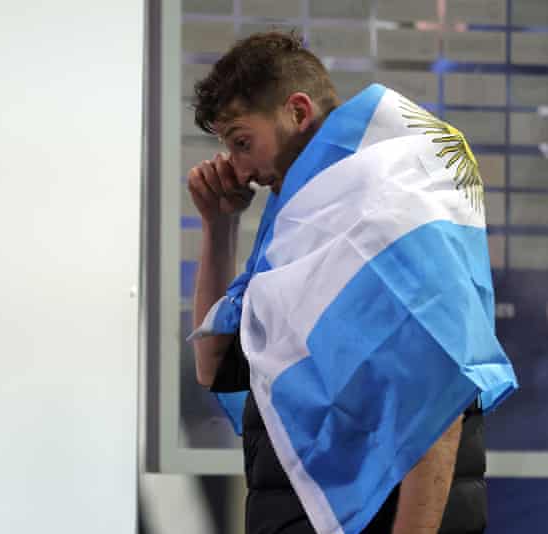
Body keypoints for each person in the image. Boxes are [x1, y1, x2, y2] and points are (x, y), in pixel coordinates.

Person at [187, 32, 494, 533]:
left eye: (243, 143)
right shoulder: (306, 228)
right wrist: (219, 225)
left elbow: (434, 398)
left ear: (298, 112)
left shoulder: (388, 214)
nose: (238, 169)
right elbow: (214, 363)